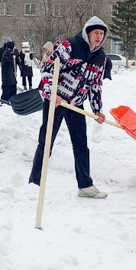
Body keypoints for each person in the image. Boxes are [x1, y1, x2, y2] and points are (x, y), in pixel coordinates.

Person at [29, 16, 109, 199]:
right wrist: (51, 92)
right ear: (87, 33)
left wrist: (97, 110)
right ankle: (34, 183)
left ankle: (85, 185)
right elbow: (47, 68)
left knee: (81, 144)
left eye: (101, 33)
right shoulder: (70, 46)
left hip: (76, 104)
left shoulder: (100, 58)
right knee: (46, 141)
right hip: (56, 100)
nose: (98, 36)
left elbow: (95, 85)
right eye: (95, 32)